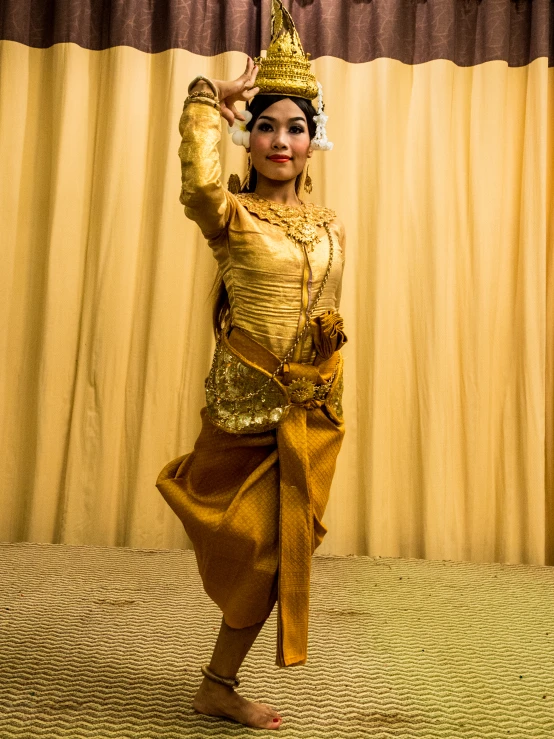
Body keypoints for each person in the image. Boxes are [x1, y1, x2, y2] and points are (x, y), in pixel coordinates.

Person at [155, 1, 347, 730]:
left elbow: (327, 318)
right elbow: (199, 185)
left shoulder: (329, 224)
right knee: (254, 550)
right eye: (265, 124)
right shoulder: (231, 215)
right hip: (242, 415)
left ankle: (216, 683)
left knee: (280, 554)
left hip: (312, 419)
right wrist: (210, 99)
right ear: (249, 134)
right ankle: (217, 683)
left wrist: (326, 390)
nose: (280, 139)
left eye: (295, 127)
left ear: (312, 140)